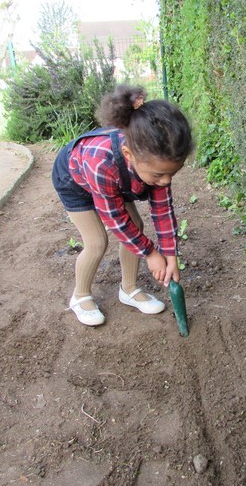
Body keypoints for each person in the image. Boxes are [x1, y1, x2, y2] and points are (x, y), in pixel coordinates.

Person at [52, 84, 193, 326]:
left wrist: (170, 254)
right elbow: (114, 218)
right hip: (76, 180)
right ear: (129, 154)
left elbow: (163, 212)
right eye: (160, 175)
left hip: (117, 180)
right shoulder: (101, 162)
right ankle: (80, 296)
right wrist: (150, 252)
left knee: (135, 225)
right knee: (97, 242)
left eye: (172, 173)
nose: (166, 181)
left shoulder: (155, 162)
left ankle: (128, 289)